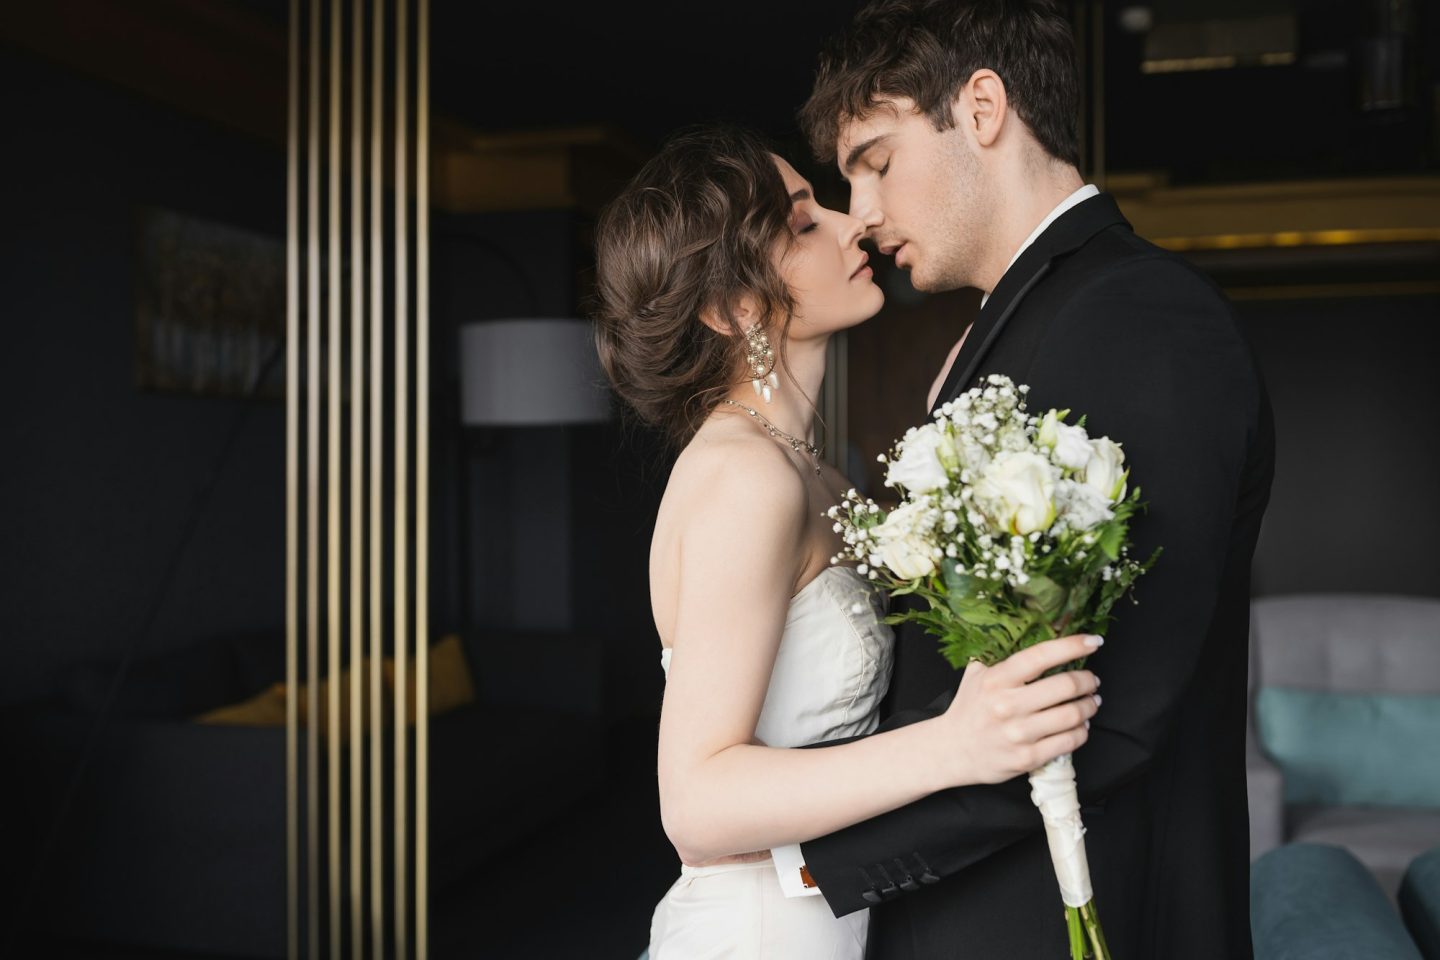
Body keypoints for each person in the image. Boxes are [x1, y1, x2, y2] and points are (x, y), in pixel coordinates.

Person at [784, 2, 1277, 957]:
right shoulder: (1027, 321)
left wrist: (814, 857)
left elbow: (1117, 703)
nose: (866, 213)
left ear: (981, 108)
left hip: (1081, 917)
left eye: (877, 162)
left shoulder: (1137, 312)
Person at [591, 124, 1103, 958]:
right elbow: (696, 806)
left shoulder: (812, 469)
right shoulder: (745, 479)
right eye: (803, 223)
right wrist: (957, 743)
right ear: (735, 307)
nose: (851, 222)